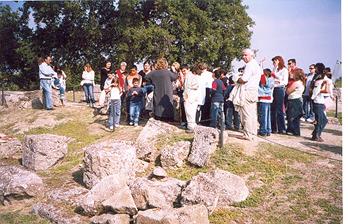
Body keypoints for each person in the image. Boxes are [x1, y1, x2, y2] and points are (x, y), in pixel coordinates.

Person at [231, 49, 262, 140]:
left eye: (245, 55)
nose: (243, 57)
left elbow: (244, 79)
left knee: (246, 114)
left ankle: (248, 134)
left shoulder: (249, 65)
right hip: (253, 91)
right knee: (252, 114)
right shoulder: (256, 65)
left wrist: (236, 78)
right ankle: (252, 134)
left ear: (251, 55)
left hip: (248, 91)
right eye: (243, 55)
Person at [311, 63, 328, 142]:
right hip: (317, 101)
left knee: (323, 120)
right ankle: (316, 135)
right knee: (320, 120)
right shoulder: (319, 78)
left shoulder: (319, 77)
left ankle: (315, 134)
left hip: (320, 101)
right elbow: (316, 90)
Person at [271, 56, 288, 134]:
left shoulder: (284, 70)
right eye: (273, 61)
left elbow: (285, 81)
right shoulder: (274, 69)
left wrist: (278, 80)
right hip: (273, 89)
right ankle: (273, 128)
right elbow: (272, 78)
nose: (274, 62)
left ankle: (282, 128)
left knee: (279, 109)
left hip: (280, 89)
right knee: (273, 109)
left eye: (275, 61)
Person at [285, 68, 305, 136]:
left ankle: (292, 130)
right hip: (298, 100)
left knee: (292, 116)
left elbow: (288, 91)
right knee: (296, 117)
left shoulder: (296, 83)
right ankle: (296, 131)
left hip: (293, 100)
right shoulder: (301, 82)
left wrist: (287, 88)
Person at [182, 64, 200, 132]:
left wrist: (187, 95)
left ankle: (191, 127)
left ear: (188, 69)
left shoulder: (191, 77)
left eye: (184, 70)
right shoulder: (188, 77)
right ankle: (191, 126)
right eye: (182, 71)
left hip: (191, 98)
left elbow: (195, 86)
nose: (183, 72)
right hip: (190, 97)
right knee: (189, 112)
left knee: (190, 112)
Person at [258, 68, 275, 136]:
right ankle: (268, 130)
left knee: (263, 116)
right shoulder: (272, 79)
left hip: (263, 97)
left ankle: (263, 130)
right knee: (268, 116)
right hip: (269, 98)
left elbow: (262, 85)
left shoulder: (263, 77)